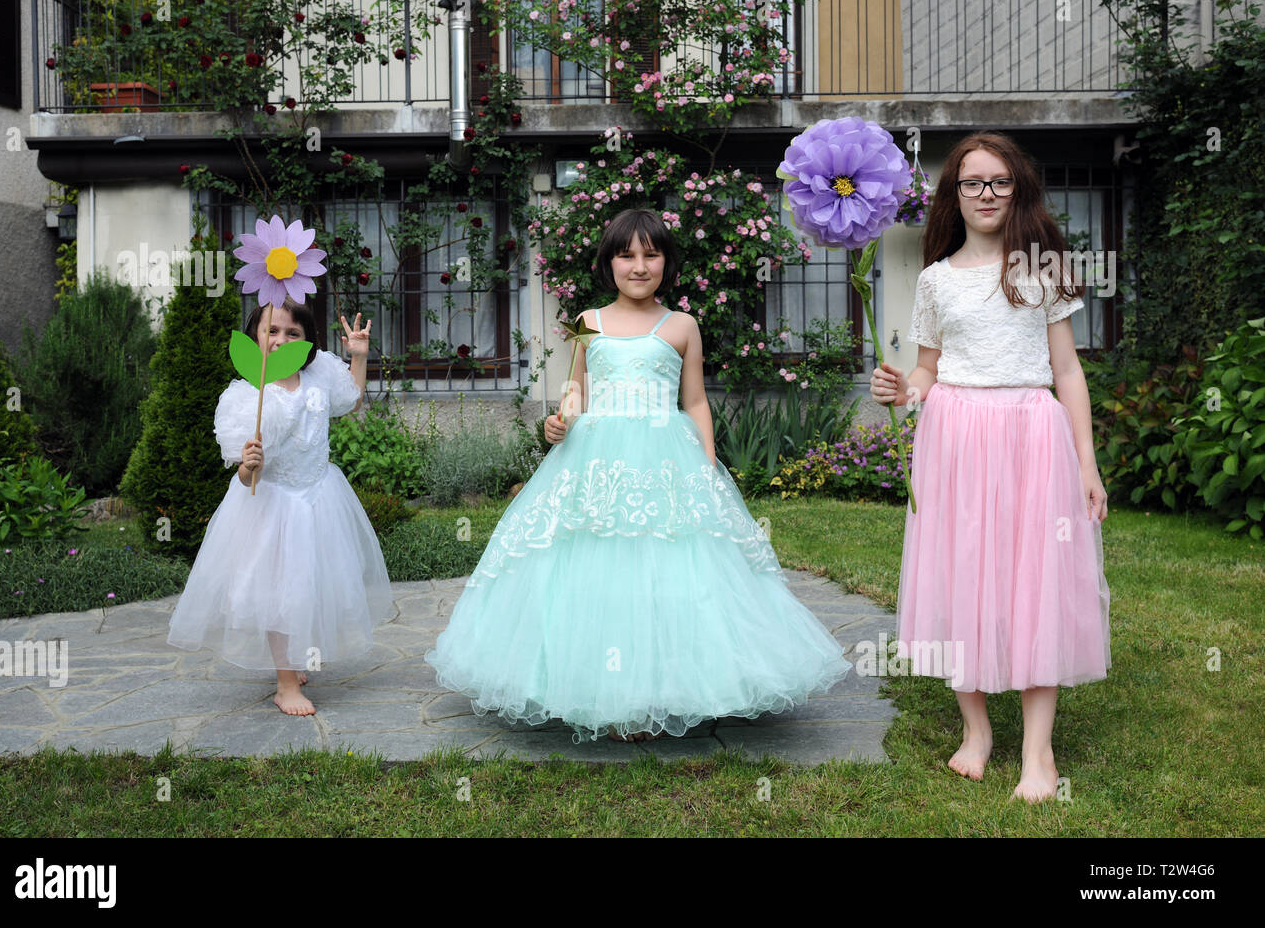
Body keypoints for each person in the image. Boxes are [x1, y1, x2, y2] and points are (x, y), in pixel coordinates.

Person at [425, 207, 853, 743]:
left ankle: (665, 690)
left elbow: (694, 399)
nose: (639, 265)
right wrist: (559, 422)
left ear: (666, 263)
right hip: (595, 456)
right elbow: (575, 389)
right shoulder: (588, 322)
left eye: (651, 254)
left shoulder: (681, 325)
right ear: (609, 263)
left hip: (665, 450)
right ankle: (595, 688)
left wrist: (705, 459)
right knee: (591, 564)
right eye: (626, 254)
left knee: (673, 567)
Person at [871, 131, 1111, 802]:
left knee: (1037, 578)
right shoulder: (935, 279)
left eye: (999, 182)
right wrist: (905, 389)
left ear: (1018, 190)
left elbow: (1067, 370)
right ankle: (975, 731)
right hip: (956, 436)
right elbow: (927, 366)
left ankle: (1039, 750)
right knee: (962, 572)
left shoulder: (1041, 268)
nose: (986, 194)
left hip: (1032, 434)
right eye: (972, 183)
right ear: (953, 194)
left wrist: (1086, 465)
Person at [167, 303, 393, 716]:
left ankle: (293, 661)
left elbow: (352, 403)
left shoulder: (320, 374)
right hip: (272, 507)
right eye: (272, 330)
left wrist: (358, 356)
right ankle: (285, 683)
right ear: (254, 334)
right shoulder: (247, 396)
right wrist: (248, 465)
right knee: (276, 593)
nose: (281, 340)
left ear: (307, 340)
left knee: (310, 585)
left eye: (293, 333)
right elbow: (245, 476)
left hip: (319, 497)